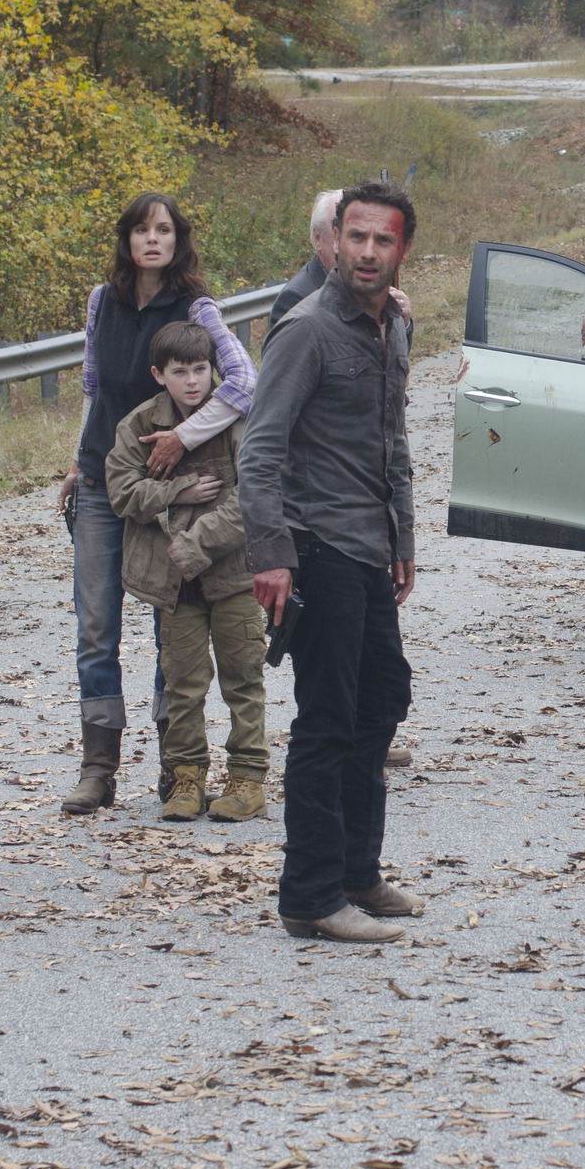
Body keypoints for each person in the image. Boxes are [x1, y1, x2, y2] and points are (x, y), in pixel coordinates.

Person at [238, 178, 423, 945]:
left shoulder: (394, 327)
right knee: (327, 722)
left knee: (381, 703)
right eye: (356, 237)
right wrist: (272, 555)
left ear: (402, 249)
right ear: (334, 241)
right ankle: (310, 896)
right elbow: (260, 451)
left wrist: (403, 535)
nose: (368, 252)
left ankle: (357, 872)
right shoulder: (306, 329)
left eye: (383, 240)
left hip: (370, 547)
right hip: (316, 550)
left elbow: (393, 441)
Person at [56, 192, 257, 816]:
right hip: (101, 483)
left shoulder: (195, 309)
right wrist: (76, 459)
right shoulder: (101, 302)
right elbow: (93, 389)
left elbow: (244, 383)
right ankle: (98, 767)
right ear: (127, 238)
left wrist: (182, 437)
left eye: (164, 229)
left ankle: (179, 769)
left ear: (178, 240)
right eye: (142, 229)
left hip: (174, 490)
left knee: (170, 621)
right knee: (96, 627)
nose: (152, 239)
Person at [106, 321, 268, 824]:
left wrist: (198, 543)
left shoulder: (237, 416)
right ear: (160, 375)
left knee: (243, 677)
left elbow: (257, 493)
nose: (193, 381)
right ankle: (186, 778)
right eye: (180, 372)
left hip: (235, 575)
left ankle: (247, 778)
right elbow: (120, 492)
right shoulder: (138, 425)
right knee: (182, 683)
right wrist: (175, 491)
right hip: (173, 585)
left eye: (201, 369)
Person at [267, 189, 342, 330]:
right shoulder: (294, 299)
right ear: (318, 238)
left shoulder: (362, 288)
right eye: (338, 234)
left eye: (356, 235)